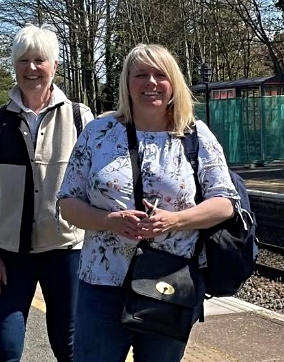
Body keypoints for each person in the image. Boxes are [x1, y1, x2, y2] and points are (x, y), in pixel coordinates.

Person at [56, 43, 239, 362]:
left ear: (174, 84)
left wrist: (175, 221)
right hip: (102, 284)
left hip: (169, 284)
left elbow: (225, 203)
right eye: (140, 75)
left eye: (160, 75)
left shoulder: (195, 136)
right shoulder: (99, 132)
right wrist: (109, 220)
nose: (150, 82)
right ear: (127, 83)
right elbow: (67, 202)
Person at [0, 23, 94, 362]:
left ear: (54, 66)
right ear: (14, 65)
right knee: (5, 347)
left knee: (70, 346)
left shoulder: (79, 117)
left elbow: (96, 185)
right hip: (11, 256)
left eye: (39, 60)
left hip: (67, 252)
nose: (31, 68)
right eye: (23, 60)